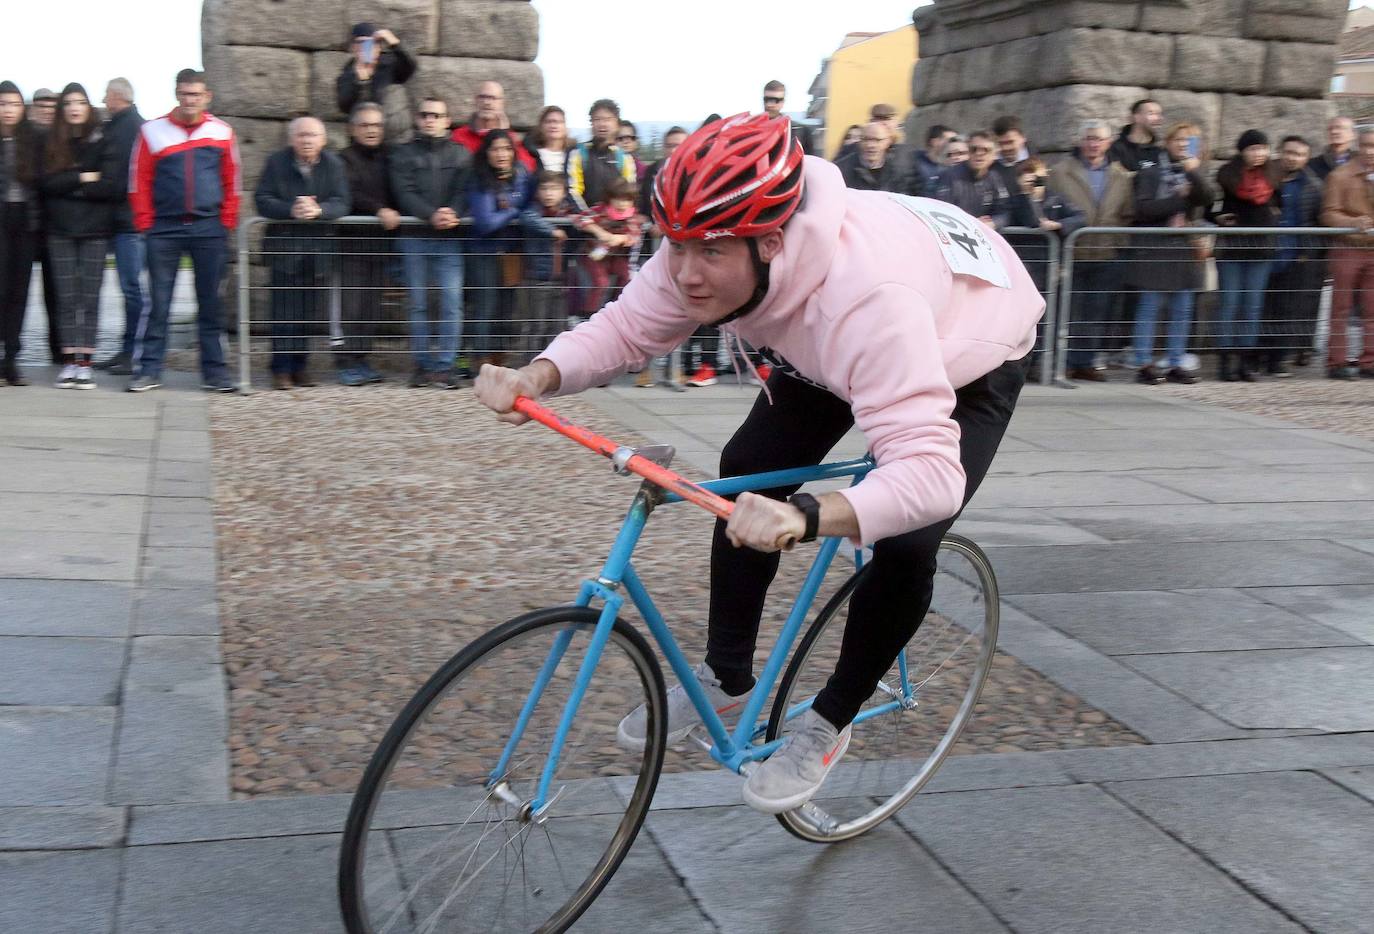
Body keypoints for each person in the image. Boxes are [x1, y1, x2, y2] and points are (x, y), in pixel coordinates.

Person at [473, 114, 1043, 814]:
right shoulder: (711, 242)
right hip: (832, 338)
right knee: (749, 465)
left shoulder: (866, 302)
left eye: (710, 252)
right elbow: (626, 327)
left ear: (771, 241)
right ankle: (727, 673)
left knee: (907, 537)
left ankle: (830, 720)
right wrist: (538, 375)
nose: (685, 272)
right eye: (675, 245)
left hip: (971, 344)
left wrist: (807, 516)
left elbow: (930, 474)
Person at [127, 69, 240, 393]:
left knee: (211, 303)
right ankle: (149, 369)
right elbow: (139, 179)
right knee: (158, 303)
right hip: (164, 228)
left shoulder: (222, 132)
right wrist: (146, 222)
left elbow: (232, 180)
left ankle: (215, 372)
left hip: (208, 228)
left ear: (207, 96)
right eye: (185, 93)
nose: (190, 100)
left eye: (196, 94)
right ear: (177, 94)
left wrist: (226, 221)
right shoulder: (152, 131)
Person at [254, 116, 351, 390]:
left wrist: (320, 211)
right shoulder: (276, 162)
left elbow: (343, 202)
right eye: (301, 135)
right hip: (285, 248)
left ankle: (301, 366)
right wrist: (290, 210)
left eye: (312, 135)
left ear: (322, 139)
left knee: (308, 312)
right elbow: (262, 199)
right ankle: (281, 368)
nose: (307, 140)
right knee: (283, 311)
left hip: (318, 249)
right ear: (291, 139)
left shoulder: (334, 165)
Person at [40, 83, 123, 389]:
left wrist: (70, 184)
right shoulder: (52, 141)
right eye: (69, 103)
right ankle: (67, 362)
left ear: (88, 107)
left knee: (89, 298)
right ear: (62, 109)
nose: (75, 107)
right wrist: (84, 176)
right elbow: (47, 185)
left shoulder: (103, 139)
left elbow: (111, 186)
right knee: (64, 298)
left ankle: (85, 362)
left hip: (95, 230)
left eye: (81, 102)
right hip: (59, 229)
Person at [389, 94, 470, 388]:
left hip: (449, 239)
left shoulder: (461, 154)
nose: (430, 120)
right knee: (418, 304)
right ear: (417, 118)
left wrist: (454, 212)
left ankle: (445, 366)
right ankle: (423, 365)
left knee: (451, 302)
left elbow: (465, 190)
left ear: (447, 121)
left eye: (436, 115)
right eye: (425, 115)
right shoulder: (403, 154)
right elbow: (404, 192)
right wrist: (430, 214)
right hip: (415, 238)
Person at [1047, 120, 1135, 381]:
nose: (1093, 144)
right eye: (1088, 138)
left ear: (1108, 143)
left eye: (1098, 139)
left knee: (1097, 310)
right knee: (1067, 310)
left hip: (1107, 253)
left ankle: (1085, 361)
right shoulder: (1060, 172)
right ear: (1080, 141)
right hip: (1072, 252)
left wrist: (1119, 243)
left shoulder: (1122, 175)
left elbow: (1127, 213)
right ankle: (1062, 362)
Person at [1129, 122, 1212, 385]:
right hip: (1156, 247)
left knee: (1183, 308)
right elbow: (1143, 209)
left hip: (1184, 249)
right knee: (1150, 307)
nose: (1183, 145)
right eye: (1178, 139)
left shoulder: (1194, 172)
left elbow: (1207, 197)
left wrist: (1194, 172)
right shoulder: (1151, 173)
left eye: (1190, 141)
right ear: (1168, 142)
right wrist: (1179, 199)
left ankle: (1176, 361)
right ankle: (1143, 361)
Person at [337, 101, 398, 386]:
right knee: (350, 306)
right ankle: (345, 362)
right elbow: (349, 193)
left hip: (380, 245)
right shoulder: (344, 158)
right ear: (352, 129)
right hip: (350, 245)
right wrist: (378, 210)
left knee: (370, 307)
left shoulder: (390, 157)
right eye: (365, 125)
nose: (371, 130)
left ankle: (362, 359)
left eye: (376, 125)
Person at [1213, 129, 1281, 382]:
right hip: (1232, 248)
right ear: (1242, 151)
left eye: (1262, 148)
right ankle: (1224, 359)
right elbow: (1213, 207)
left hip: (1261, 249)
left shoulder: (1274, 174)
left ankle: (1245, 360)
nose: (1259, 153)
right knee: (1229, 303)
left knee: (1252, 306)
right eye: (1253, 148)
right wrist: (1217, 218)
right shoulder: (1227, 174)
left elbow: (1280, 205)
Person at [467, 129, 534, 370]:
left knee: (507, 307)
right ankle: (480, 359)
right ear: (486, 152)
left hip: (512, 251)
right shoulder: (479, 179)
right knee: (485, 305)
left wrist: (507, 213)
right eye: (495, 149)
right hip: (484, 251)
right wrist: (513, 212)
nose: (501, 154)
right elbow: (486, 222)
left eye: (506, 148)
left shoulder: (521, 175)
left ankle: (499, 357)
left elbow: (532, 205)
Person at [93, 78, 144, 375]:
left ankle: (132, 353)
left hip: (128, 222)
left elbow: (117, 178)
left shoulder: (126, 128)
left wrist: (91, 184)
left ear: (116, 97)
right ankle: (127, 350)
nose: (103, 100)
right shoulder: (130, 125)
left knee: (132, 289)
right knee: (130, 289)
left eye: (106, 95)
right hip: (126, 220)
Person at [1261, 136, 1324, 375]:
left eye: (1298, 154)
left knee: (1287, 310)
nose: (1292, 157)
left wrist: (1309, 252)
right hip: (1266, 252)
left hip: (1295, 256)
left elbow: (1318, 221)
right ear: (1279, 152)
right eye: (1288, 152)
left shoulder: (1313, 185)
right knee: (1262, 307)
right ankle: (1256, 355)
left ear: (1306, 158)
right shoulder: (1266, 177)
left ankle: (1277, 360)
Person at [1319, 126, 1374, 380]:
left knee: (1372, 309)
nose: (1371, 152)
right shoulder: (1340, 175)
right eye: (1366, 146)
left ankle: (1369, 361)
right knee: (1341, 307)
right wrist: (1353, 223)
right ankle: (1337, 361)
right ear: (1358, 147)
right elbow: (1328, 213)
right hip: (1348, 248)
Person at [0, 80, 41, 386]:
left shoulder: (34, 139)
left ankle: (11, 358)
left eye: (14, 104)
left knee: (19, 291)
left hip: (25, 220)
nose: (8, 110)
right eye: (3, 104)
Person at [519, 170, 574, 360]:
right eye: (544, 188)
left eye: (554, 188)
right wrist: (552, 231)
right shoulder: (534, 210)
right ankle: (529, 365)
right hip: (538, 277)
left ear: (564, 191)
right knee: (536, 325)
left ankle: (554, 365)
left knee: (558, 325)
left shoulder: (568, 211)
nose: (549, 193)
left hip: (561, 278)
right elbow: (527, 217)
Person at [573, 176, 643, 316]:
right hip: (594, 254)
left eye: (627, 200)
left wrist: (620, 238)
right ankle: (587, 314)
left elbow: (635, 235)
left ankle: (614, 309)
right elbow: (579, 218)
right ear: (609, 198)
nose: (622, 204)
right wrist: (599, 232)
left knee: (626, 277)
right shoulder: (600, 210)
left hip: (616, 255)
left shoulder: (632, 215)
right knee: (601, 282)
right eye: (618, 199)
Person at [336, 22, 416, 142]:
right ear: (353, 47)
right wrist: (359, 82)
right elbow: (344, 105)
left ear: (378, 47)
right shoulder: (347, 75)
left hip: (397, 140)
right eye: (361, 42)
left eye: (372, 42)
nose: (366, 47)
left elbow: (411, 66)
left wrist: (394, 43)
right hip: (364, 143)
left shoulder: (390, 65)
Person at [29, 87, 63, 363]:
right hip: (25, 223)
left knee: (56, 292)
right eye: (41, 105)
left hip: (53, 224)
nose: (46, 110)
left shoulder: (61, 139)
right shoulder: (23, 136)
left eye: (51, 106)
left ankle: (58, 348)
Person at [935, 130, 1015, 229]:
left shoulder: (995, 178)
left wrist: (992, 223)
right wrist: (972, 223)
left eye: (985, 150)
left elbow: (1004, 212)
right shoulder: (949, 177)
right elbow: (941, 213)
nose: (979, 153)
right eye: (974, 149)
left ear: (995, 155)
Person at [451, 81, 535, 172]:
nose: (487, 102)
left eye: (493, 98)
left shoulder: (511, 138)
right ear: (475, 100)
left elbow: (528, 168)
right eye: (482, 97)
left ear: (502, 103)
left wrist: (505, 134)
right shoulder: (458, 136)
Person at [567, 99, 635, 209]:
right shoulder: (578, 153)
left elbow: (629, 193)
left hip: (616, 221)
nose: (602, 124)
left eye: (607, 119)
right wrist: (588, 217)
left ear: (617, 124)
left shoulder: (624, 158)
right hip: (584, 220)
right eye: (597, 119)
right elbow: (573, 191)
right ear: (591, 123)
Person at [835, 120, 916, 194]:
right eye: (865, 139)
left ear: (888, 141)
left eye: (877, 140)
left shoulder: (900, 168)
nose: (870, 145)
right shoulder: (843, 169)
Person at [1109, 98, 1164, 172]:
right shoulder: (1116, 149)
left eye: (1159, 114)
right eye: (1151, 113)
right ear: (1136, 117)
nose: (1158, 118)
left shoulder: (1160, 149)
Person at [762, 79, 815, 155]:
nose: (770, 104)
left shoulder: (800, 131)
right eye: (767, 99)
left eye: (776, 100)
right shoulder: (752, 130)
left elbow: (810, 162)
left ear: (783, 102)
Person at [526, 105, 576, 175]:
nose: (553, 126)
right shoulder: (530, 155)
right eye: (548, 122)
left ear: (565, 127)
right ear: (541, 126)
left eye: (559, 122)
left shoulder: (575, 154)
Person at [1311, 116, 1354, 181]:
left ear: (1352, 134)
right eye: (1330, 129)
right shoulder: (1313, 164)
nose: (1333, 132)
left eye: (1339, 128)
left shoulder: (1361, 160)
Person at [915, 124, 955, 192]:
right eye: (950, 141)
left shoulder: (951, 168)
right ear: (935, 142)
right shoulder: (913, 161)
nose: (954, 145)